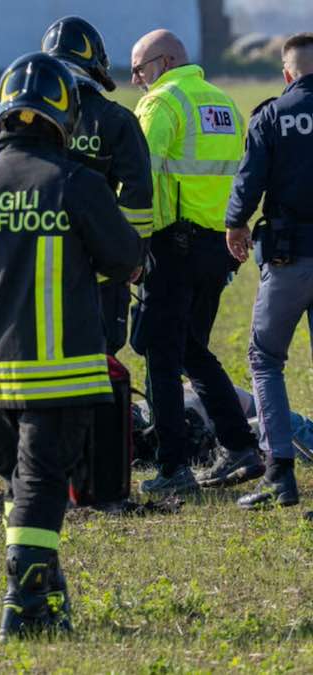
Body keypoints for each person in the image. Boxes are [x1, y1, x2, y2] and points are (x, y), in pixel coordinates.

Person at [0, 53, 140, 639]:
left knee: (20, 483)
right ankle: (21, 606)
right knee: (44, 484)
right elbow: (126, 256)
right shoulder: (75, 183)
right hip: (62, 371)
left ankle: (49, 598)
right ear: (62, 116)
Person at [129, 29, 263, 495]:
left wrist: (132, 244)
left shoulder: (162, 103)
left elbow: (139, 177)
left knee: (160, 355)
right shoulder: (223, 103)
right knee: (190, 349)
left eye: (139, 69)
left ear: (163, 64)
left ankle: (174, 469)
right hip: (219, 248)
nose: (136, 80)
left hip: (172, 244)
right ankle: (241, 446)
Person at [225, 33, 313, 509]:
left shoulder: (272, 116)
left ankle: (280, 472)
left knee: (265, 360)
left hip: (288, 259)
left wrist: (234, 226)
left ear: (286, 74)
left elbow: (248, 181)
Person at [42, 16, 153, 352]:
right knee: (102, 347)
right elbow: (138, 194)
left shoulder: (30, 119)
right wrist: (134, 255)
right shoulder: (115, 118)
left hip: (39, 258)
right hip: (100, 264)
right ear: (95, 64)